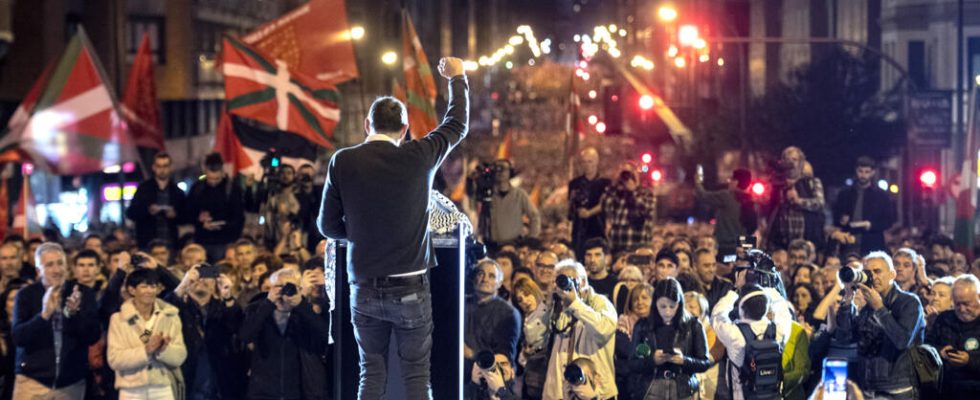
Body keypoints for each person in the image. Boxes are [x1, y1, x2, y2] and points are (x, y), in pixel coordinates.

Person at [317, 57, 467, 399]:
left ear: (367, 124)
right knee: (416, 377)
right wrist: (457, 78)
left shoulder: (342, 160)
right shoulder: (420, 155)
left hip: (364, 288)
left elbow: (326, 225)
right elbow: (457, 124)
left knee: (370, 374)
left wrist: (361, 235)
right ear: (404, 129)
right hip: (411, 288)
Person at [12, 243, 101, 398]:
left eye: (60, 263)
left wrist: (73, 314)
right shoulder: (26, 295)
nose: (57, 270)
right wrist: (43, 316)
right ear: (39, 271)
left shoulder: (83, 293)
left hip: (71, 383)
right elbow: (19, 337)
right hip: (32, 382)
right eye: (50, 265)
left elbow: (92, 336)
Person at [831, 251, 925, 399]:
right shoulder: (868, 305)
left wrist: (879, 308)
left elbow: (901, 341)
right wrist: (848, 298)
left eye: (878, 271)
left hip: (897, 391)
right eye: (868, 272)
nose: (873, 277)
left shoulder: (909, 302)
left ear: (892, 274)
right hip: (867, 389)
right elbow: (844, 338)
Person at [239, 268, 332, 400]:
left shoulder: (305, 312)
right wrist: (268, 303)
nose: (284, 291)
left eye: (290, 287)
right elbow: (245, 336)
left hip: (298, 392)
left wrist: (300, 305)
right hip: (263, 392)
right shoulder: (257, 308)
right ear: (270, 288)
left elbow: (325, 335)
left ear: (299, 289)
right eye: (279, 286)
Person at [539, 260, 617, 399]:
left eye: (569, 280)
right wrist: (547, 303)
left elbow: (603, 329)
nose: (563, 286)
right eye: (559, 280)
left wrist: (576, 304)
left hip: (594, 392)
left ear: (582, 282)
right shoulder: (558, 306)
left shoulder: (599, 302)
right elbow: (535, 338)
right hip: (559, 392)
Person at [166, 264, 245, 399]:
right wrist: (182, 286)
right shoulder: (178, 308)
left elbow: (239, 326)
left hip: (219, 383)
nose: (200, 280)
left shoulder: (224, 308)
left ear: (215, 282)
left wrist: (227, 295)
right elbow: (162, 314)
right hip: (189, 380)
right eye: (196, 276)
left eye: (206, 275)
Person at [624, 278, 711, 400]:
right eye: (663, 306)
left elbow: (705, 362)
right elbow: (632, 363)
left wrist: (684, 361)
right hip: (652, 387)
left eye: (672, 306)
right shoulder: (643, 325)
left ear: (680, 304)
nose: (668, 312)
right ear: (655, 304)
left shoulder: (693, 325)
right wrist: (652, 360)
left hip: (682, 388)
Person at [106, 268, 187, 400]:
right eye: (144, 286)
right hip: (131, 389)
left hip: (162, 387)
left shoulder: (170, 316)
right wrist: (146, 351)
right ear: (132, 290)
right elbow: (114, 359)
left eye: (153, 286)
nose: (149, 291)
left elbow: (180, 356)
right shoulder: (118, 319)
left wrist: (164, 350)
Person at [465, 260, 522, 397]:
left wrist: (471, 354)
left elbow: (504, 356)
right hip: (462, 380)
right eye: (481, 274)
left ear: (500, 283)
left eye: (491, 276)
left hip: (491, 385)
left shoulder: (508, 313)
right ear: (473, 278)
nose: (484, 279)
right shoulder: (461, 303)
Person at [925, 274, 980, 395]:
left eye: (966, 304)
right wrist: (940, 351)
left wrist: (969, 360)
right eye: (957, 304)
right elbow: (927, 346)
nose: (961, 309)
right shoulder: (944, 319)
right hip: (946, 389)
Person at [186, 152, 245, 263]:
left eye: (216, 179)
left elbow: (239, 218)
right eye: (210, 179)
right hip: (202, 241)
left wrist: (223, 225)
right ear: (205, 171)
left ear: (222, 171)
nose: (213, 182)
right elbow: (187, 213)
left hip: (225, 242)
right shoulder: (197, 188)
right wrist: (199, 219)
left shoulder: (232, 189)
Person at [832, 156, 896, 255]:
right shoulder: (845, 194)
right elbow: (836, 217)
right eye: (860, 171)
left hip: (873, 243)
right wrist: (842, 220)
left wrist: (871, 225)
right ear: (856, 171)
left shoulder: (881, 195)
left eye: (867, 172)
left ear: (872, 172)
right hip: (849, 242)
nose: (863, 175)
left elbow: (889, 220)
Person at [767, 146, 826, 250]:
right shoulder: (776, 184)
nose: (791, 163)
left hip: (806, 243)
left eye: (794, 159)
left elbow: (819, 203)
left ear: (801, 162)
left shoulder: (811, 182)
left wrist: (799, 201)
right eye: (788, 159)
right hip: (781, 245)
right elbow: (767, 209)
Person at [126, 152, 186, 251]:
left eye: (165, 166)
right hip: (148, 244)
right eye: (159, 166)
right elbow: (130, 212)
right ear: (154, 167)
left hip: (170, 244)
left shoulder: (177, 192)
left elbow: (186, 215)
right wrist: (147, 211)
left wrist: (175, 214)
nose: (162, 170)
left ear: (170, 167)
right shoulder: (143, 189)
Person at [695, 168, 756, 255]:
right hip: (743, 248)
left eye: (731, 179)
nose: (729, 182)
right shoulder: (751, 201)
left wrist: (698, 182)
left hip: (724, 246)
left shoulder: (727, 197)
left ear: (736, 182)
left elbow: (703, 195)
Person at [602, 162, 657, 256]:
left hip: (639, 247)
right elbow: (606, 207)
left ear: (637, 175)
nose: (627, 178)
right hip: (618, 247)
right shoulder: (615, 192)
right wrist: (616, 183)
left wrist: (632, 192)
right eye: (625, 175)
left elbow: (644, 209)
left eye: (631, 174)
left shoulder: (646, 193)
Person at [569, 147, 612, 259]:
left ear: (596, 162)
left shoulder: (606, 183)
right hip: (579, 232)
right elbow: (570, 208)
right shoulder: (574, 184)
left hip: (598, 230)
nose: (587, 165)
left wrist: (590, 212)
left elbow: (607, 204)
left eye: (590, 161)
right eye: (584, 162)